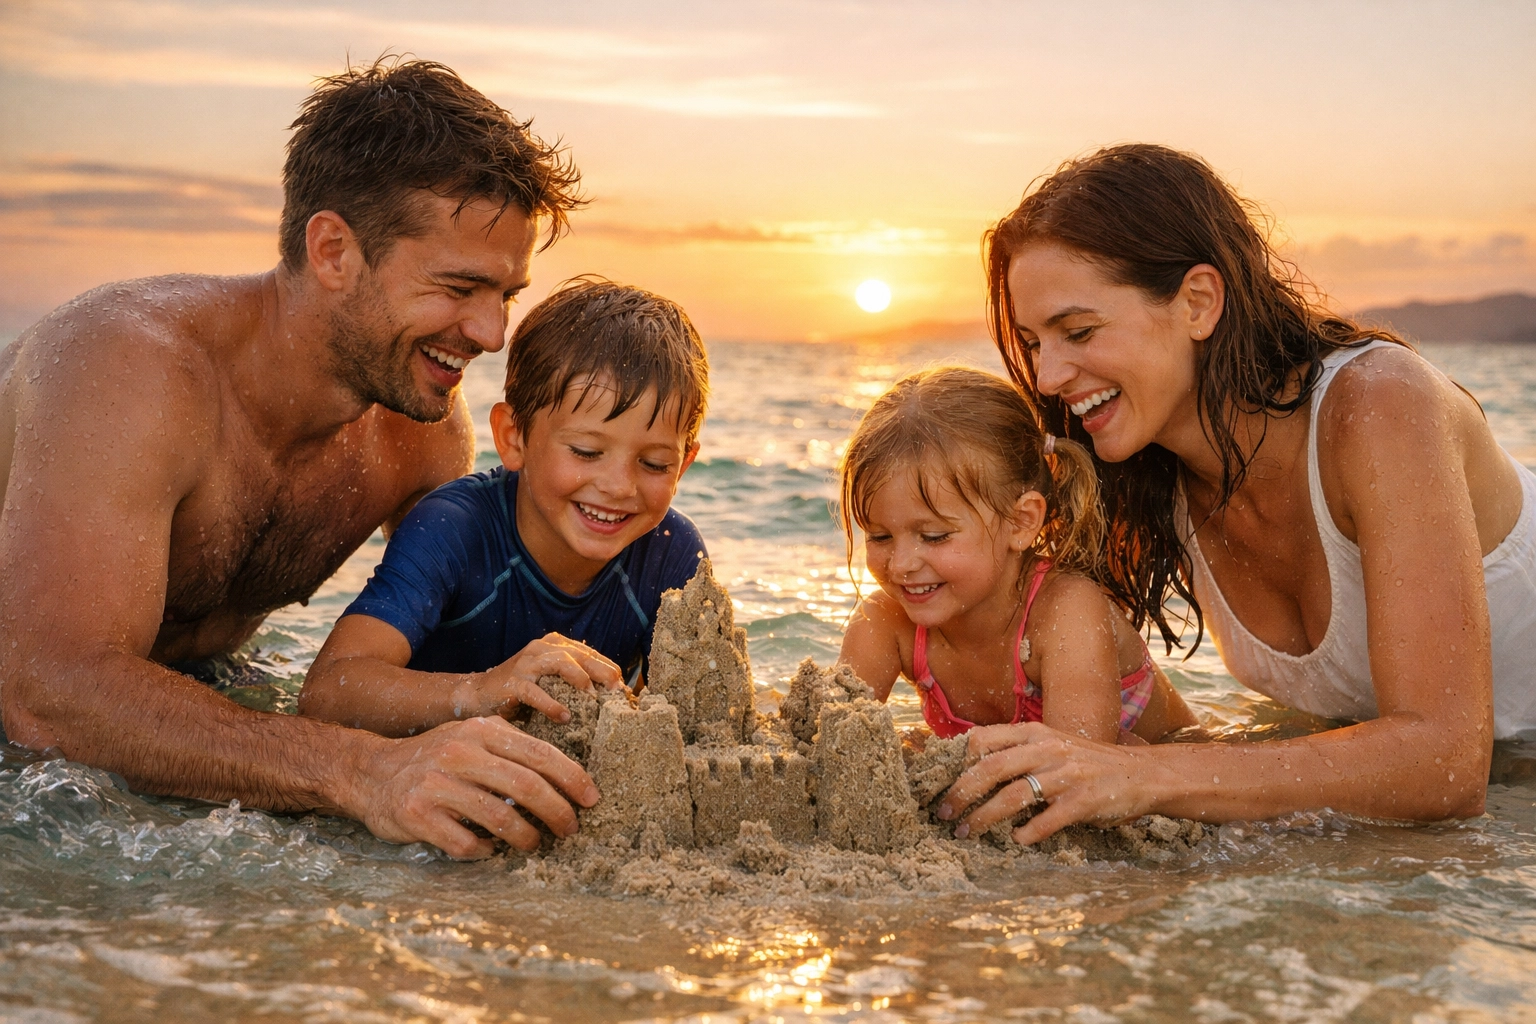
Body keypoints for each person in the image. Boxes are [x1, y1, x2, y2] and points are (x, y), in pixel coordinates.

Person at [0, 58, 601, 859]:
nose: (493, 334)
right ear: (332, 251)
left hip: (194, 697)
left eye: (507, 296)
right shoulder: (129, 370)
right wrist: (362, 772)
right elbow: (47, 690)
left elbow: (458, 645)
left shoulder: (419, 431)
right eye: (460, 287)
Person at [939, 143, 1536, 844]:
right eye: (1034, 343)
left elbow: (1444, 765)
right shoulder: (1143, 479)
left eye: (1078, 331)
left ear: (1198, 302)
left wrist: (1149, 779)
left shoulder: (1378, 405)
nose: (1046, 376)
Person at [299, 278, 709, 735]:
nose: (618, 486)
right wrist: (483, 692)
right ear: (514, 439)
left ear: (684, 464)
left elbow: (701, 718)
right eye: (586, 452)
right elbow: (327, 691)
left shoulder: (671, 556)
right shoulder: (453, 530)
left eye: (653, 463)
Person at [837, 367, 1197, 746]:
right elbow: (830, 742)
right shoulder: (886, 623)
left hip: (1175, 761)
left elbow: (1077, 770)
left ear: (1020, 522)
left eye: (933, 536)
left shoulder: (1066, 612)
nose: (900, 564)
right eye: (879, 536)